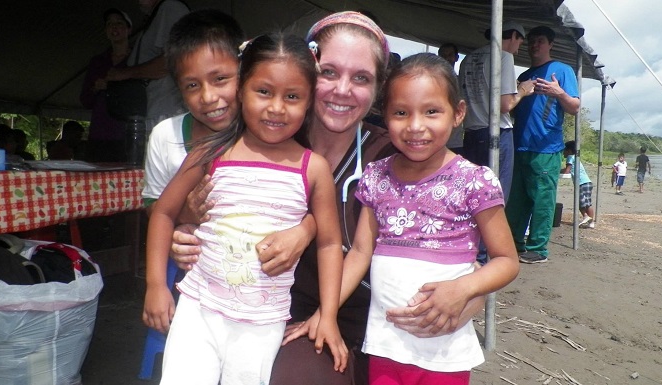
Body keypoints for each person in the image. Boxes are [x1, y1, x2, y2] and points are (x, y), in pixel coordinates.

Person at [170, 11, 485, 385]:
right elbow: (204, 219)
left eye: (361, 78)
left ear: (378, 90)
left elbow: (469, 260)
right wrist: (188, 231)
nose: (342, 90)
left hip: (374, 328)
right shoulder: (267, 139)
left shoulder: (396, 157)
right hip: (265, 314)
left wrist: (466, 296)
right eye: (329, 72)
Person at [293, 52, 519, 385]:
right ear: (385, 115)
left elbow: (506, 261)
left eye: (431, 112)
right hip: (385, 346)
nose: (416, 126)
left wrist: (462, 289)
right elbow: (359, 253)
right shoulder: (375, 176)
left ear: (457, 113)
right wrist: (325, 314)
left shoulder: (475, 181)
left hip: (445, 353)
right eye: (401, 113)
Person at [146, 32, 348, 385]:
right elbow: (163, 212)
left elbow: (330, 242)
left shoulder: (313, 169)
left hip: (262, 323)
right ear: (241, 91)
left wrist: (327, 314)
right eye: (264, 91)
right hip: (199, 310)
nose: (276, 107)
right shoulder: (211, 153)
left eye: (293, 97)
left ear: (310, 101)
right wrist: (155, 286)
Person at [141, 8, 244, 347]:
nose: (208, 97)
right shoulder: (164, 136)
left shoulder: (267, 133)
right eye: (192, 86)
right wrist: (180, 226)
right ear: (178, 89)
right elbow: (155, 207)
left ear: (245, 71)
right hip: (193, 272)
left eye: (220, 79)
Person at [506, 26, 580, 264]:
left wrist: (559, 92)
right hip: (519, 146)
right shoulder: (525, 75)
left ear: (550, 45)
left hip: (546, 149)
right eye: (532, 41)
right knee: (516, 200)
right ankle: (514, 244)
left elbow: (575, 107)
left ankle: (538, 249)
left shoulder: (562, 70)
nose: (534, 45)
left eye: (540, 41)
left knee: (543, 200)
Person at [458, 21, 534, 200]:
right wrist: (523, 90)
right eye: (520, 43)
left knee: (472, 194)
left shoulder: (468, 59)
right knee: (495, 196)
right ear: (514, 36)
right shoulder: (504, 56)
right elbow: (505, 105)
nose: (517, 50)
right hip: (496, 133)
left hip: (471, 134)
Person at [106, 0, 190, 133]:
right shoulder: (157, 16)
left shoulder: (170, 7)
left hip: (166, 115)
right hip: (155, 114)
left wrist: (126, 73)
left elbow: (174, 60)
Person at [80, 8, 132, 162]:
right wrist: (96, 88)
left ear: (129, 29)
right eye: (109, 24)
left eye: (119, 23)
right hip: (99, 134)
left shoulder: (138, 59)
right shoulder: (98, 62)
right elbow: (85, 100)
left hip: (127, 135)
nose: (114, 27)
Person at [561, 141, 595, 229]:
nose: (563, 152)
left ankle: (585, 216)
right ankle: (591, 222)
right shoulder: (576, 158)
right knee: (587, 203)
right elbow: (568, 169)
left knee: (581, 203)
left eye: (564, 150)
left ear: (569, 151)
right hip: (587, 183)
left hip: (581, 183)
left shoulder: (570, 157)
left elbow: (567, 171)